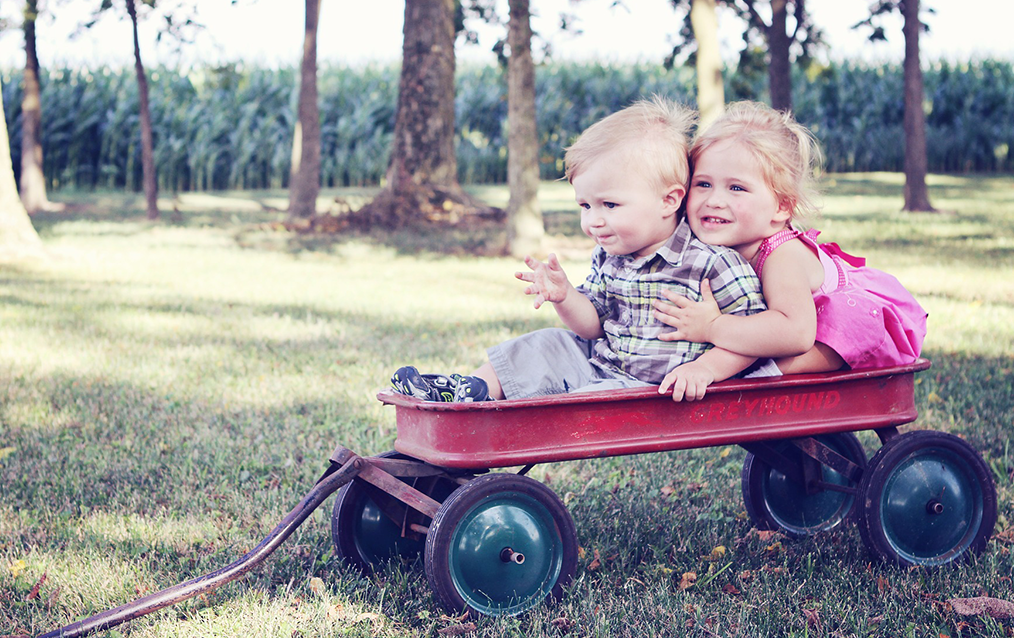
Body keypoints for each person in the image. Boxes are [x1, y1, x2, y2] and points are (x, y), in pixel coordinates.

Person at [390, 96, 777, 404]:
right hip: (601, 364)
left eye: (609, 205)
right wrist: (565, 297)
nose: (593, 220)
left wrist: (706, 369)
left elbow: (752, 339)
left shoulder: (711, 262)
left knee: (580, 405)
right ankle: (468, 391)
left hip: (650, 391)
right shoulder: (610, 254)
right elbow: (592, 325)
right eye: (585, 206)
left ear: (668, 200)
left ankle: (500, 415)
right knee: (546, 343)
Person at [654, 101, 926, 373]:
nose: (714, 200)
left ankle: (764, 374)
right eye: (703, 184)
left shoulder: (782, 257)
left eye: (736, 188)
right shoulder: (716, 241)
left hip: (849, 328)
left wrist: (712, 327)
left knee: (790, 348)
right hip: (795, 325)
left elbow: (795, 333)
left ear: (782, 207)